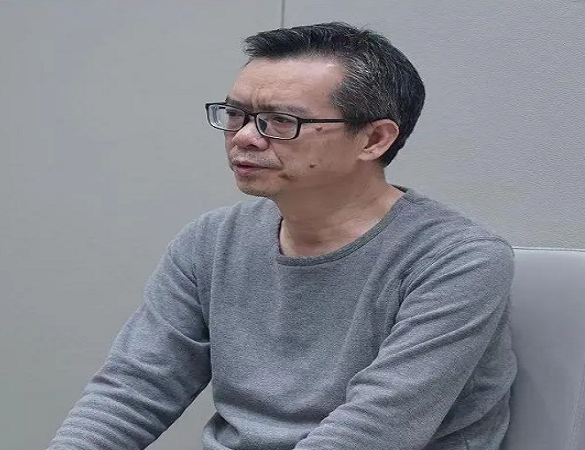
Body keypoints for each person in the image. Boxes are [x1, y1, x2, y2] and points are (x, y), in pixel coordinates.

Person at [47, 22, 516, 450]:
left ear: (374, 139)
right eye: (235, 114)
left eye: (281, 121)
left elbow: (375, 429)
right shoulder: (210, 241)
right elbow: (134, 389)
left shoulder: (457, 260)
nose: (244, 137)